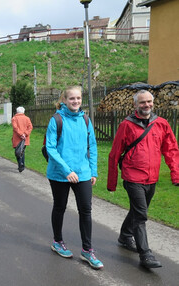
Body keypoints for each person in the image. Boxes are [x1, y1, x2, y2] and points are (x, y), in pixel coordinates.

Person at [107, 89, 179, 269]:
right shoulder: (126, 125)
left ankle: (125, 236)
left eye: (149, 102)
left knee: (138, 210)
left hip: (152, 178)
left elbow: (171, 150)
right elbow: (115, 153)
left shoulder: (161, 124)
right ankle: (145, 254)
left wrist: (175, 174)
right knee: (141, 215)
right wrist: (112, 182)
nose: (146, 105)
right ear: (135, 105)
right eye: (142, 102)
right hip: (133, 177)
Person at [45, 86, 103, 270]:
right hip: (60, 174)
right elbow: (50, 148)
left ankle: (87, 250)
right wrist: (66, 170)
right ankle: (57, 241)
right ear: (65, 99)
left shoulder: (85, 119)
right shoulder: (56, 119)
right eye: (72, 98)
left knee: (86, 210)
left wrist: (93, 171)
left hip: (83, 172)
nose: (76, 101)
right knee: (60, 207)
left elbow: (92, 145)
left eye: (78, 98)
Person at [11, 106, 33, 172]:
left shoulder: (14, 118)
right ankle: (22, 164)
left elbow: (15, 128)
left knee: (18, 152)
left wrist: (21, 134)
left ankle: (20, 164)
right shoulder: (27, 118)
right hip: (25, 139)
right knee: (22, 152)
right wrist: (25, 134)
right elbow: (30, 127)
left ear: (17, 111)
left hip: (17, 138)